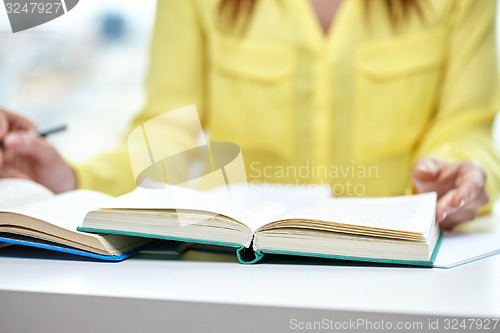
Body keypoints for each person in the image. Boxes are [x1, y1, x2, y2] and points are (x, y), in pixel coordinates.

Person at [0, 0, 498, 230]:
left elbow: (465, 122)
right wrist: (75, 177)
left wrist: (457, 173)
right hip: (240, 266)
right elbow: (172, 131)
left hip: (404, 265)